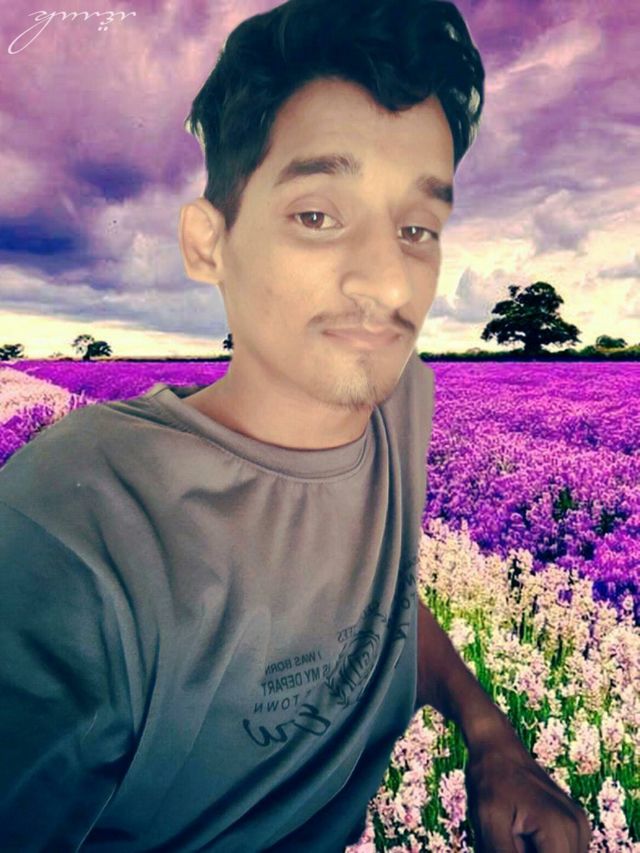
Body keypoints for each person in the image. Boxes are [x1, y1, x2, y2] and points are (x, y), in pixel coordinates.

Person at [0, 0, 592, 850]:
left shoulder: (399, 404)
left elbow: (381, 605)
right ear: (207, 243)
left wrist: (492, 737)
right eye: (318, 215)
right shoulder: (68, 531)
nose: (389, 283)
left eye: (416, 227)